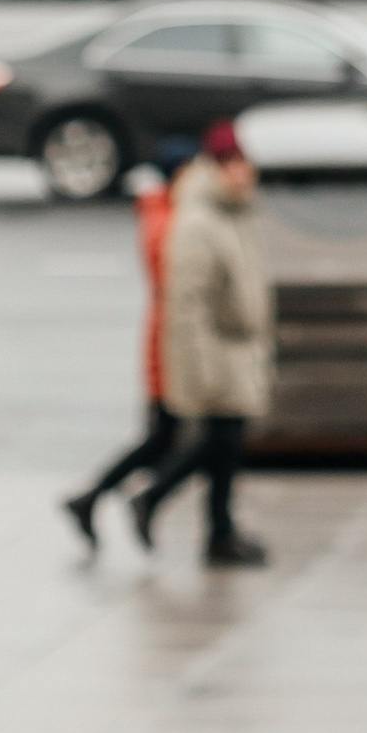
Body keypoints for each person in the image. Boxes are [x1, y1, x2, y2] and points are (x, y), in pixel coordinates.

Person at [133, 121, 273, 568]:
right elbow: (187, 305)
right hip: (217, 354)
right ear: (217, 167)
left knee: (226, 447)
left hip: (236, 351)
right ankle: (160, 501)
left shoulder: (232, 212)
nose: (245, 172)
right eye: (235, 163)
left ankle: (218, 530)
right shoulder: (198, 220)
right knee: (219, 443)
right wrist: (201, 370)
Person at [63, 136, 193, 549]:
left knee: (164, 439)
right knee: (176, 439)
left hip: (170, 341)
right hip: (170, 345)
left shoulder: (165, 213)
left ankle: (93, 498)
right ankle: (115, 498)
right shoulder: (166, 221)